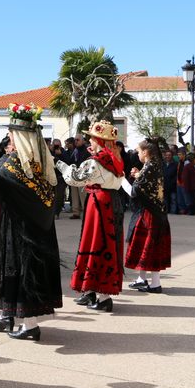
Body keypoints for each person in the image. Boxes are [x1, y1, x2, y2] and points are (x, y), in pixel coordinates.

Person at [0, 103, 62, 341]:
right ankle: (9, 314)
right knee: (11, 269)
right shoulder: (37, 164)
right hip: (29, 227)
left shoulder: (17, 164)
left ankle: (29, 325)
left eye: (13, 135)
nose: (9, 139)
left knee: (22, 271)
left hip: (21, 230)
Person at [56, 120, 125, 312]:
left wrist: (62, 166)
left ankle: (102, 296)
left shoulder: (96, 162)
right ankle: (91, 291)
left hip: (99, 203)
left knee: (96, 243)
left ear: (99, 141)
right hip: (110, 201)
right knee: (102, 243)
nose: (90, 142)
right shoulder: (116, 159)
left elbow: (76, 178)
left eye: (92, 139)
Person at [126, 139, 172, 294]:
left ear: (145, 152)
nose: (137, 153)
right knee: (146, 248)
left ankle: (155, 284)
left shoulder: (150, 166)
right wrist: (138, 175)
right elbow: (146, 182)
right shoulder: (154, 164)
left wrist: (122, 182)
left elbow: (136, 191)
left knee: (149, 248)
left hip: (150, 213)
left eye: (139, 151)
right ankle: (142, 279)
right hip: (155, 211)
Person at [68, 134, 90, 219]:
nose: (76, 141)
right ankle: (76, 212)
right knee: (74, 195)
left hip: (82, 176)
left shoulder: (87, 150)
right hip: (74, 175)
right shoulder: (74, 150)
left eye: (78, 140)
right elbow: (70, 161)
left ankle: (86, 213)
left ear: (83, 141)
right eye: (75, 140)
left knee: (83, 195)